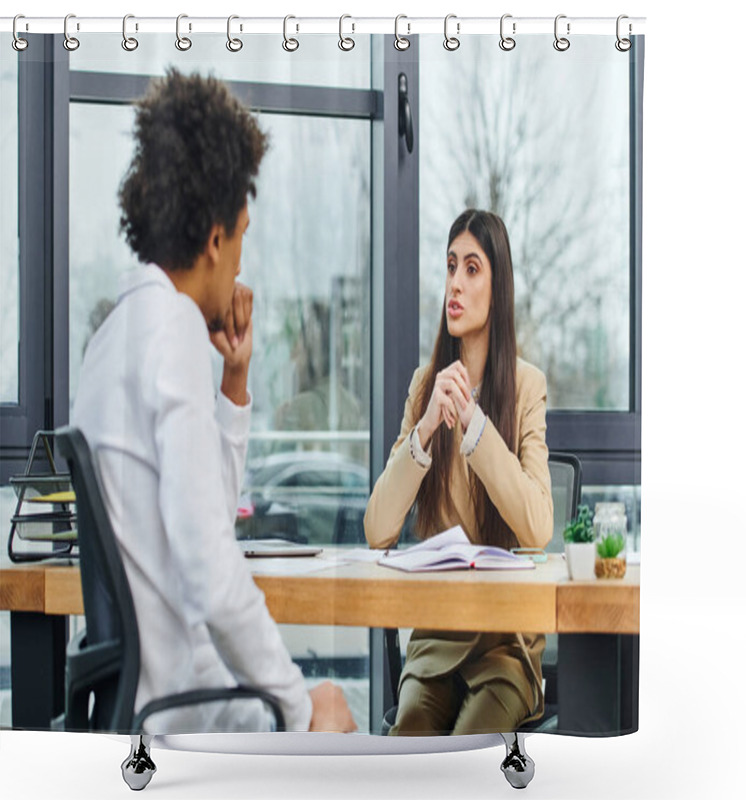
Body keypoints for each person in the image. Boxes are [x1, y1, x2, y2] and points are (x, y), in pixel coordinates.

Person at [73, 69, 355, 735]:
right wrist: (294, 704)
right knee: (338, 712)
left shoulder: (114, 333)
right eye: (243, 235)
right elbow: (207, 564)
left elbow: (202, 513)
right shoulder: (169, 327)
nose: (239, 266)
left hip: (143, 699)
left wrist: (233, 382)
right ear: (214, 239)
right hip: (185, 707)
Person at [364, 209, 554, 735]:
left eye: (472, 269)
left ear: (498, 289)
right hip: (434, 645)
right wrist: (425, 429)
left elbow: (538, 526)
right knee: (411, 746)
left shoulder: (526, 387)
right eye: (451, 266)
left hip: (503, 650)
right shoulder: (425, 386)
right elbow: (377, 528)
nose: (455, 283)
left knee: (469, 754)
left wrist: (475, 428)